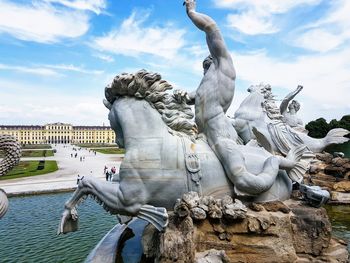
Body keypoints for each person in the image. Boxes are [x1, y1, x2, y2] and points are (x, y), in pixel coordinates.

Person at [175, 0, 281, 195]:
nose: (205, 67)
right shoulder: (206, 82)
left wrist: (191, 12)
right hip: (200, 132)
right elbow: (195, 97)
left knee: (242, 180)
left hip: (218, 131)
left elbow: (211, 29)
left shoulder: (224, 64)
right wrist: (182, 95)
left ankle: (275, 163)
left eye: (208, 62)